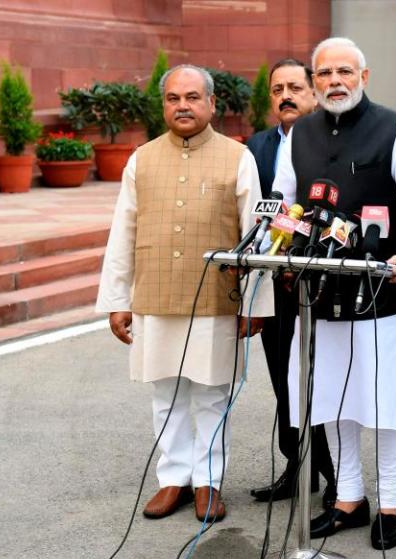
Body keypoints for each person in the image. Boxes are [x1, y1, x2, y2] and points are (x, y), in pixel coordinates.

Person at [272, 36, 396, 550]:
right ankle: (348, 497)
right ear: (315, 81)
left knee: (383, 402)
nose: (334, 82)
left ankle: (389, 503)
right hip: (318, 291)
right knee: (334, 399)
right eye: (324, 74)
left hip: (379, 292)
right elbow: (284, 199)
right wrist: (279, 249)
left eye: (345, 72)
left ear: (364, 77)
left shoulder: (394, 128)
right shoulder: (299, 133)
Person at [95, 64, 272, 523]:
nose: (183, 106)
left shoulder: (238, 157)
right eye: (174, 98)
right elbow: (123, 232)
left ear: (212, 103)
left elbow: (257, 236)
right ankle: (173, 478)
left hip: (216, 298)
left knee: (212, 394)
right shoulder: (142, 158)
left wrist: (255, 303)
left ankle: (209, 481)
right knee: (165, 393)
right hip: (154, 296)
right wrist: (118, 300)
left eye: (193, 97)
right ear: (164, 105)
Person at [246, 58, 336, 507]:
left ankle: (338, 476)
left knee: (323, 377)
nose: (287, 95)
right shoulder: (256, 147)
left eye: (296, 87)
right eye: (278, 88)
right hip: (273, 283)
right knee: (284, 379)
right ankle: (297, 466)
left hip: (322, 281)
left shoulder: (332, 139)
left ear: (314, 92)